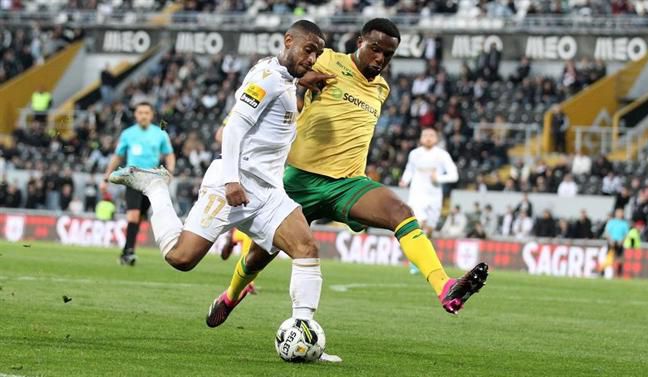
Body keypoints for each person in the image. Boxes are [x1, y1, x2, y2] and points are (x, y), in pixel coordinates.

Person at [223, 18, 488, 318]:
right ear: (360, 42)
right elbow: (277, 68)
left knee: (400, 213)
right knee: (261, 253)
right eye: (375, 49)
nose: (380, 59)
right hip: (300, 180)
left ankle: (445, 287)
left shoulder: (382, 89)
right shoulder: (326, 58)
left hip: (348, 185)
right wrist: (300, 81)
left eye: (388, 55)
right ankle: (231, 295)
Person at [108, 21, 334, 345]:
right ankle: (156, 188)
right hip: (234, 184)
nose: (313, 59)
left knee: (306, 247)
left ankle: (304, 332)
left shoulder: (282, 77)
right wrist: (231, 181)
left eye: (318, 54)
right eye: (308, 50)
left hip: (269, 192)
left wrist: (304, 78)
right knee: (181, 258)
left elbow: (284, 79)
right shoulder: (267, 79)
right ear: (288, 41)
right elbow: (233, 129)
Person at [101, 102, 176, 266]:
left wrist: (170, 171)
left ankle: (126, 251)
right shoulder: (128, 134)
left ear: (151, 115)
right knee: (133, 215)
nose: (143, 115)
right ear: (135, 115)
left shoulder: (160, 134)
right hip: (133, 179)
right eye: (140, 112)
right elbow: (118, 156)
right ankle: (129, 252)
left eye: (146, 113)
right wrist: (106, 177)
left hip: (152, 181)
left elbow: (169, 154)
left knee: (140, 217)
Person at [399, 127, 458, 274]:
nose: (428, 138)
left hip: (434, 197)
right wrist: (405, 180)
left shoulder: (442, 155)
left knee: (429, 230)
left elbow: (454, 175)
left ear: (436, 138)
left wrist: (438, 178)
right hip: (417, 195)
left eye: (431, 135)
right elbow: (409, 169)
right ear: (420, 138)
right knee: (418, 224)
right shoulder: (414, 154)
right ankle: (415, 261)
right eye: (425, 135)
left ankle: (422, 257)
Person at [601, 208, 629, 279]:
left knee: (620, 258)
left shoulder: (624, 223)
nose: (619, 214)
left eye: (621, 213)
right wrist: (610, 240)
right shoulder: (611, 222)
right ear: (616, 213)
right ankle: (603, 272)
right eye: (618, 212)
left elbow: (626, 234)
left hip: (620, 242)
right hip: (612, 242)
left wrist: (622, 241)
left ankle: (619, 274)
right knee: (609, 258)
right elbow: (607, 232)